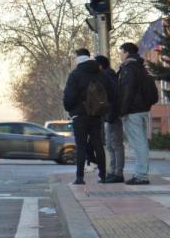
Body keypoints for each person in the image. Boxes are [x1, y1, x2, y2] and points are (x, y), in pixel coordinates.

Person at [63, 48, 112, 185]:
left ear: (78, 58)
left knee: (81, 146)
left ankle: (80, 177)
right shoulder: (101, 74)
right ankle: (103, 175)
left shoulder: (75, 74)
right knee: (98, 144)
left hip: (79, 115)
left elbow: (69, 96)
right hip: (96, 115)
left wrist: (69, 109)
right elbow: (112, 92)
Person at [117, 42, 159, 185]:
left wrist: (122, 111)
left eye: (121, 52)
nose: (120, 55)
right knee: (141, 143)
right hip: (141, 109)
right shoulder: (140, 67)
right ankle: (141, 173)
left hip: (133, 111)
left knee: (138, 143)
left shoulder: (129, 68)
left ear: (127, 52)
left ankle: (141, 175)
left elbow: (127, 91)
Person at [96, 54, 124, 183]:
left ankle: (118, 173)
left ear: (100, 66)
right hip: (108, 115)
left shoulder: (108, 76)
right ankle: (112, 172)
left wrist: (111, 115)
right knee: (110, 145)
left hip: (112, 115)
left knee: (115, 144)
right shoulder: (107, 75)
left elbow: (113, 97)